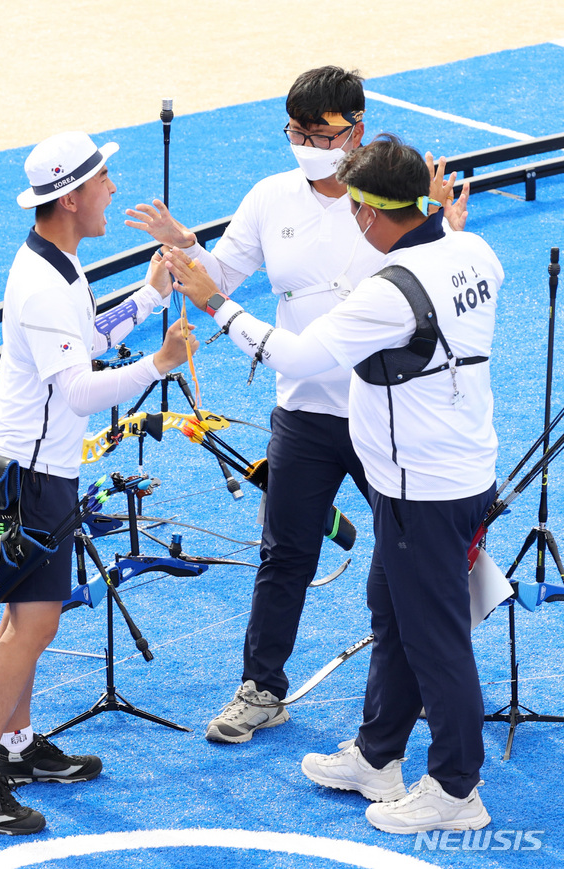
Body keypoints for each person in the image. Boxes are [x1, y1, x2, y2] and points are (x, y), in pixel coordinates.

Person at [163, 133, 503, 834]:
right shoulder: (475, 252)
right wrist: (436, 215)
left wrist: (215, 304)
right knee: (395, 610)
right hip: (458, 473)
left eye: (354, 207)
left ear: (373, 214)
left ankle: (455, 788)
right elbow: (444, 239)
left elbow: (299, 352)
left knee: (434, 637)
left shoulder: (389, 294)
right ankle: (378, 756)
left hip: (424, 493)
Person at [125, 66, 469, 744]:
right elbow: (218, 279)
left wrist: (442, 227)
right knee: (284, 554)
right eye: (297, 132)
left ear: (357, 131)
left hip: (388, 417)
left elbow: (439, 277)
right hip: (304, 414)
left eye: (322, 133)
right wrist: (187, 251)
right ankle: (261, 688)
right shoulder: (270, 198)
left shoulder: (393, 202)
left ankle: (431, 684)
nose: (308, 144)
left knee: (417, 558)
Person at [0, 130, 198, 836]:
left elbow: (88, 339)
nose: (113, 188)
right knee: (33, 624)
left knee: (27, 621)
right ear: (74, 197)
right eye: (104, 179)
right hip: (25, 478)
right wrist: (161, 366)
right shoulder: (45, 284)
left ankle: (14, 747)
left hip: (30, 470)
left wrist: (147, 298)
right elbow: (81, 390)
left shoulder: (60, 265)